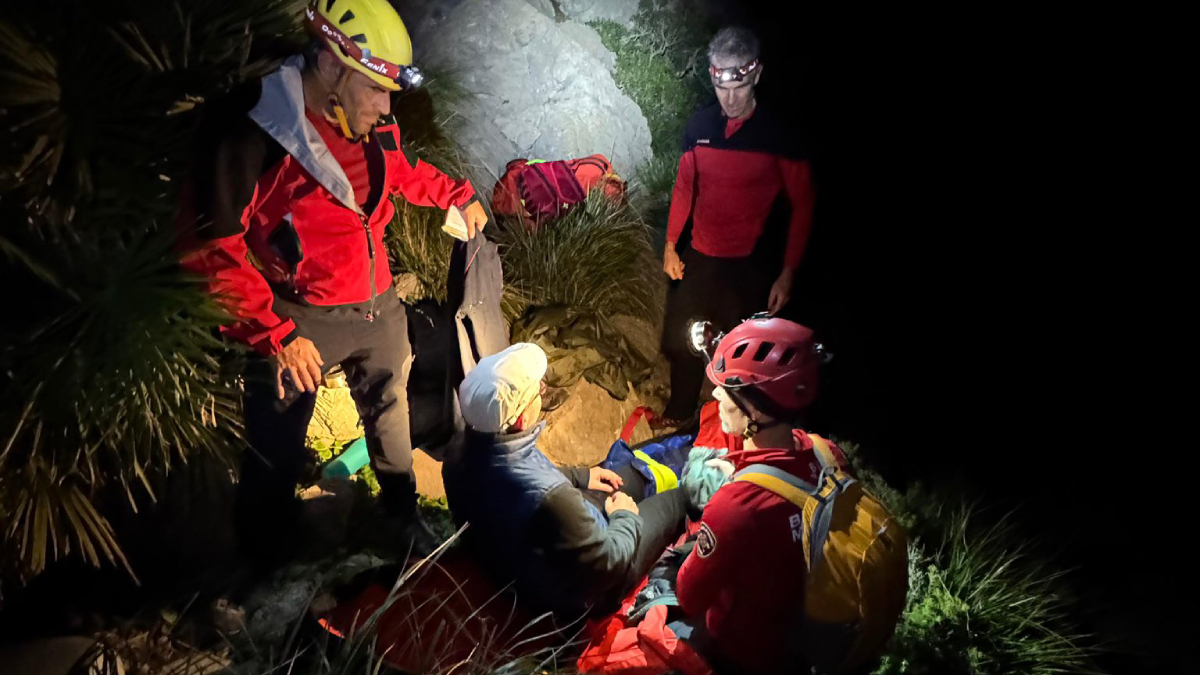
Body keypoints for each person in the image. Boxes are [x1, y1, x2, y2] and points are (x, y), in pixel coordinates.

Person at [178, 0, 488, 563]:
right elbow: (208, 247)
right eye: (375, 87)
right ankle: (264, 555)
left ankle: (400, 515)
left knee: (390, 410)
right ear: (331, 64)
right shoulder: (258, 129)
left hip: (377, 300)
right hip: (299, 317)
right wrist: (275, 332)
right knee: (275, 438)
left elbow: (397, 171)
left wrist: (455, 194)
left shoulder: (364, 119)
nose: (385, 104)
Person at [673, 317, 906, 675]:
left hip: (742, 655)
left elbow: (689, 597)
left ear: (758, 412)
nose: (717, 394)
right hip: (801, 643)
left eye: (729, 390)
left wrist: (728, 503)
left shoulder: (735, 506)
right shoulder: (828, 453)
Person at [443, 344, 689, 621]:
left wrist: (581, 476)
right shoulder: (553, 499)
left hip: (519, 561)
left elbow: (517, 476)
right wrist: (625, 518)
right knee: (676, 500)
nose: (543, 390)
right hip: (581, 594)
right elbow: (608, 564)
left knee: (627, 476)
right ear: (523, 417)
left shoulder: (459, 450)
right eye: (540, 390)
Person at [657, 27, 817, 429]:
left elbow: (803, 204)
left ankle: (732, 425)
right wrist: (671, 245)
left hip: (750, 263)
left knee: (740, 352)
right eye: (721, 83)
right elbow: (684, 186)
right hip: (701, 253)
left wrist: (787, 273)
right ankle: (679, 412)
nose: (729, 98)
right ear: (712, 76)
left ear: (756, 75)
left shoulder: (778, 136)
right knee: (680, 341)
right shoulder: (700, 126)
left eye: (739, 85)